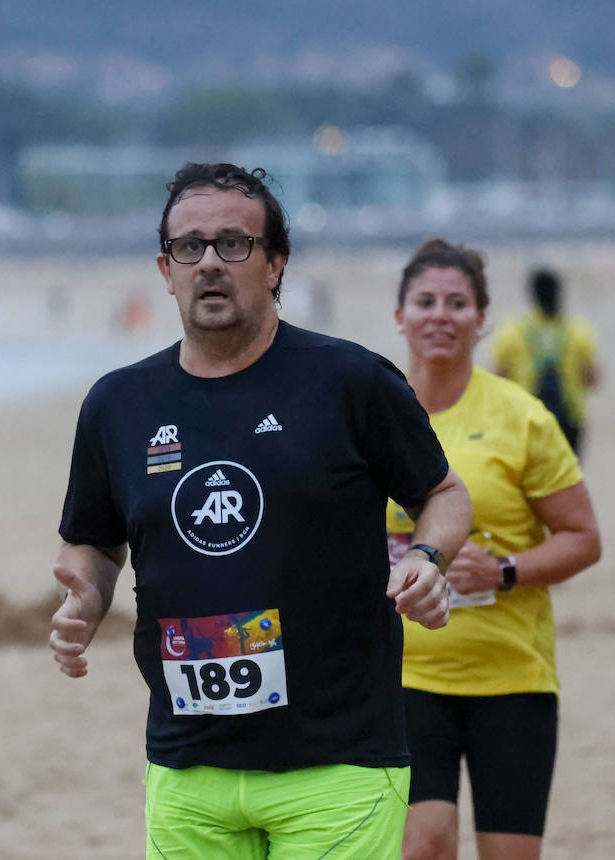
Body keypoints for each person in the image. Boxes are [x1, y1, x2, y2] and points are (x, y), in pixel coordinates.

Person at [50, 162, 472, 859]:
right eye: (190, 246)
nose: (210, 262)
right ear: (166, 268)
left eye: (234, 244)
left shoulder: (350, 381)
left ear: (275, 265)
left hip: (338, 761)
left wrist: (428, 559)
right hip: (188, 765)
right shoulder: (118, 404)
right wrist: (85, 600)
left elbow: (444, 494)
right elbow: (91, 541)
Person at [386, 239, 601, 860]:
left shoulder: (523, 417)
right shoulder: (374, 414)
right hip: (405, 677)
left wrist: (505, 570)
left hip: (512, 677)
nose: (440, 315)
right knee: (422, 845)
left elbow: (584, 540)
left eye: (458, 302)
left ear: (482, 319)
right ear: (400, 315)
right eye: (424, 301)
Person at [491, 267, 599, 457]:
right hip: (570, 418)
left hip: (525, 419)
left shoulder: (513, 332)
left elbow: (497, 380)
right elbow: (592, 380)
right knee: (567, 480)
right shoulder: (579, 331)